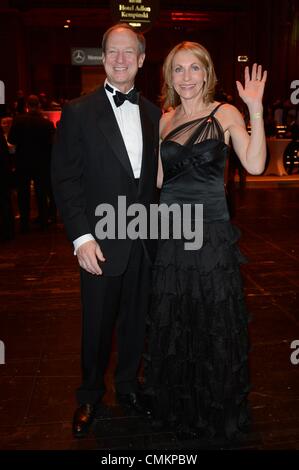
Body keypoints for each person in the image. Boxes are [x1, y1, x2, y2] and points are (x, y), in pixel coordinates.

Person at [144, 41, 267, 441]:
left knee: (214, 321)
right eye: (178, 69)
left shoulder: (225, 113)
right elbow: (159, 182)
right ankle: (180, 407)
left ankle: (215, 410)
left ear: (207, 73)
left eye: (194, 68)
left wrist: (256, 110)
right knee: (177, 322)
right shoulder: (164, 120)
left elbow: (255, 164)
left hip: (211, 233)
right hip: (173, 233)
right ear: (169, 77)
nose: (186, 77)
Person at [51, 23, 161, 438]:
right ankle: (89, 396)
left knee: (137, 323)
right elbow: (65, 179)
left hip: (145, 242)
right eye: (113, 51)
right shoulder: (78, 111)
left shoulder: (152, 113)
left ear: (141, 59)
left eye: (128, 52)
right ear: (102, 56)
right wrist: (81, 237)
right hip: (98, 242)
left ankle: (130, 387)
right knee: (96, 326)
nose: (120, 59)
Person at [8, 95, 55, 232]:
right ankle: (43, 221)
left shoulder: (18, 121)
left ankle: (24, 222)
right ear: (39, 105)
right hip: (41, 163)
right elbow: (51, 143)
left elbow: (11, 139)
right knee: (41, 192)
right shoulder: (46, 124)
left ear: (27, 106)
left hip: (23, 161)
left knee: (23, 192)